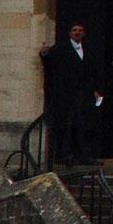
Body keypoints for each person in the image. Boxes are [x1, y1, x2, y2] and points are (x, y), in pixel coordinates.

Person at [40, 20, 106, 166]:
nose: (77, 32)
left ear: (84, 33)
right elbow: (50, 63)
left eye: (80, 30)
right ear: (70, 33)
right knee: (67, 125)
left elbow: (94, 73)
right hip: (66, 95)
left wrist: (96, 90)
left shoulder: (89, 50)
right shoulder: (61, 49)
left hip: (85, 95)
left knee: (84, 125)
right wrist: (44, 54)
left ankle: (85, 155)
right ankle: (65, 155)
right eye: (75, 30)